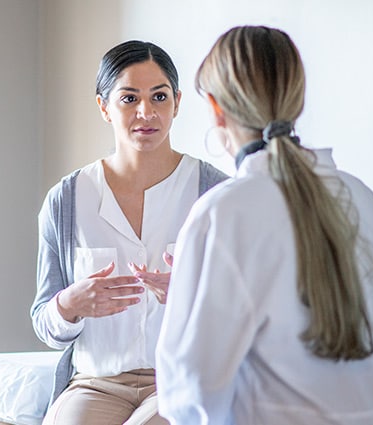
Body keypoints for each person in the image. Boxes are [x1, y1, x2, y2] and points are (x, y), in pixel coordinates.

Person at [156, 26, 373, 425]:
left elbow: (189, 395)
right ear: (296, 100)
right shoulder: (361, 197)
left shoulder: (224, 212)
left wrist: (194, 292)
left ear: (215, 109)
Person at [30, 40, 228, 425]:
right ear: (104, 106)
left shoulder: (215, 193)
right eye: (129, 98)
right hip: (94, 382)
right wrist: (68, 305)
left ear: (178, 103)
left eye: (159, 96)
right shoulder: (66, 201)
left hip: (180, 379)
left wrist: (193, 299)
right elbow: (44, 321)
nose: (146, 112)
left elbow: (246, 312)